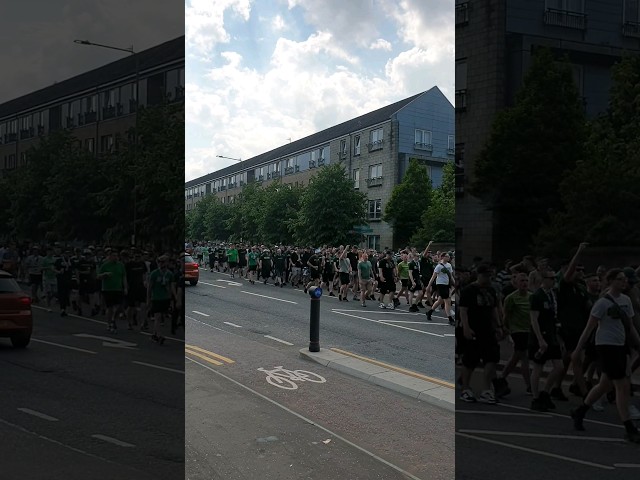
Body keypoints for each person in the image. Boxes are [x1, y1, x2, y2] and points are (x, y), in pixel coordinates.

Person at [571, 269, 640, 443]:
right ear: (610, 281)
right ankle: (629, 427)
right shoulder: (602, 303)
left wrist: (638, 344)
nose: (623, 282)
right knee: (622, 385)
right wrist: (578, 349)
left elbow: (630, 326)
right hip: (606, 346)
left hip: (621, 345)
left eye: (624, 280)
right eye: (619, 279)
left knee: (604, 384)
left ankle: (580, 411)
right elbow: (589, 328)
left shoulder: (626, 301)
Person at [458, 265, 504, 404]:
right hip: (474, 329)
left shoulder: (491, 290)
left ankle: (486, 390)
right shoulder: (469, 290)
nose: (488, 279)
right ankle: (465, 388)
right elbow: (463, 311)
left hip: (488, 330)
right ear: (479, 275)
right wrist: (466, 327)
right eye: (486, 276)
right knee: (470, 361)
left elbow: (494, 310)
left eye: (490, 276)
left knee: (491, 359)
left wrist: (499, 326)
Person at [529, 270, 564, 412]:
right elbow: (534, 319)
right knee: (538, 367)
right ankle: (535, 397)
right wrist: (540, 339)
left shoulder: (552, 294)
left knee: (559, 366)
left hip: (552, 335)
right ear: (543, 279)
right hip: (541, 336)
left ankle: (546, 392)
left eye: (555, 278)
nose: (554, 280)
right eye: (551, 278)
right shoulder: (537, 296)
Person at [97, 249, 128, 333]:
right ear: (109, 256)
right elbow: (98, 276)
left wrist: (125, 287)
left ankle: (114, 318)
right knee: (110, 307)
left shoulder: (120, 265)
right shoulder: (105, 265)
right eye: (114, 256)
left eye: (116, 256)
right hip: (108, 289)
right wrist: (105, 274)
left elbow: (124, 276)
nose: (116, 257)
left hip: (118, 288)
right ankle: (109, 323)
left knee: (120, 306)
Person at [147, 255, 175, 345]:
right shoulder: (154, 273)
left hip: (165, 298)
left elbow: (171, 287)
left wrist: (172, 299)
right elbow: (149, 287)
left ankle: (154, 335)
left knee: (161, 318)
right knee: (157, 317)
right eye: (159, 262)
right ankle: (159, 335)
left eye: (163, 262)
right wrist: (148, 299)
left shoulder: (169, 274)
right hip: (156, 298)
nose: (161, 264)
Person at [426, 252, 455, 325]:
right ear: (442, 257)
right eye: (447, 256)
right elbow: (433, 276)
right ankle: (450, 318)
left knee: (439, 300)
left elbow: (451, 276)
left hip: (447, 284)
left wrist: (455, 283)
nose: (448, 258)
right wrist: (429, 285)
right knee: (447, 301)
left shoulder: (449, 265)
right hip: (440, 284)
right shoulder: (439, 266)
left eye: (448, 256)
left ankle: (430, 312)